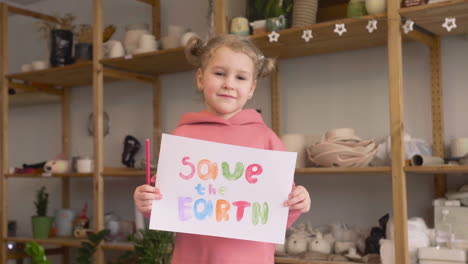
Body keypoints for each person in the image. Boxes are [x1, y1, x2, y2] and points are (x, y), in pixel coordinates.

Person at [134, 34, 311, 264]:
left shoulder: (266, 139)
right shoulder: (183, 137)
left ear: (252, 88)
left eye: (240, 77)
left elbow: (281, 211)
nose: (229, 83)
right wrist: (146, 200)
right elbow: (164, 204)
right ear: (200, 78)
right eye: (219, 74)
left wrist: (300, 201)